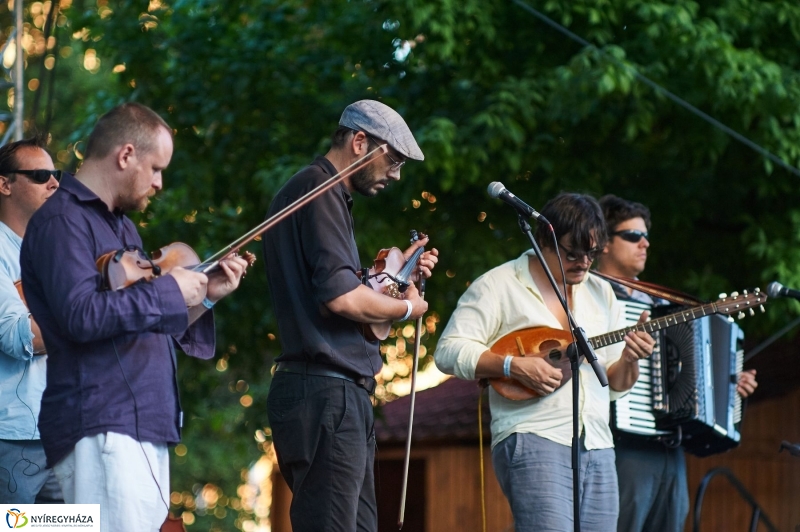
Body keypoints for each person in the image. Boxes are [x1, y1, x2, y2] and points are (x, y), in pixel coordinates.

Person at [20, 103, 249, 531]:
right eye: (156, 168)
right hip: (103, 422)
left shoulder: (122, 227)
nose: (160, 182)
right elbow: (81, 316)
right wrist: (168, 289)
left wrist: (204, 297)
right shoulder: (62, 221)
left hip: (141, 423)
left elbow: (143, 317)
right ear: (126, 155)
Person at [263, 99, 439, 531]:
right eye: (393, 160)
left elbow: (347, 294)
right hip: (325, 392)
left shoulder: (322, 193)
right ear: (360, 142)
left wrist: (399, 279)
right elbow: (342, 298)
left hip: (330, 393)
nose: (396, 175)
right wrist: (406, 307)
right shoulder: (320, 190)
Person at [434, 192, 655, 531]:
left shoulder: (602, 293)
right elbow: (448, 350)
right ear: (544, 240)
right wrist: (512, 366)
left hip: (597, 443)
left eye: (592, 254)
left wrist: (630, 357)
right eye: (573, 253)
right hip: (533, 434)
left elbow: (613, 385)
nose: (583, 262)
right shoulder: (499, 284)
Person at [595, 194, 758, 532]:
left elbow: (689, 375)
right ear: (604, 243)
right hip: (622, 445)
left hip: (669, 448)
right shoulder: (590, 296)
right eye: (633, 236)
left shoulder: (661, 302)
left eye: (646, 237)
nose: (644, 244)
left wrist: (729, 386)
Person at [0, 136, 62, 504]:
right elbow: (16, 335)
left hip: (61, 432)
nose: (54, 183)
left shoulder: (57, 253)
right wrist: (87, 312)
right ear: (5, 184)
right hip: (13, 439)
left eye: (55, 174)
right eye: (40, 175)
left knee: (76, 528)